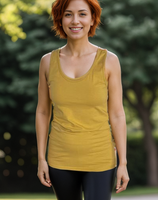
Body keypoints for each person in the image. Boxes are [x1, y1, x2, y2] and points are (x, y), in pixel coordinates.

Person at [35, 0, 129, 199]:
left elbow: (117, 114)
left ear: (93, 18)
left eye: (82, 14)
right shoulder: (47, 62)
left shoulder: (109, 61)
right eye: (68, 14)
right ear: (60, 19)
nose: (75, 20)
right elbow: (43, 112)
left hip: (99, 157)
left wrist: (123, 163)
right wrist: (41, 159)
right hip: (60, 158)